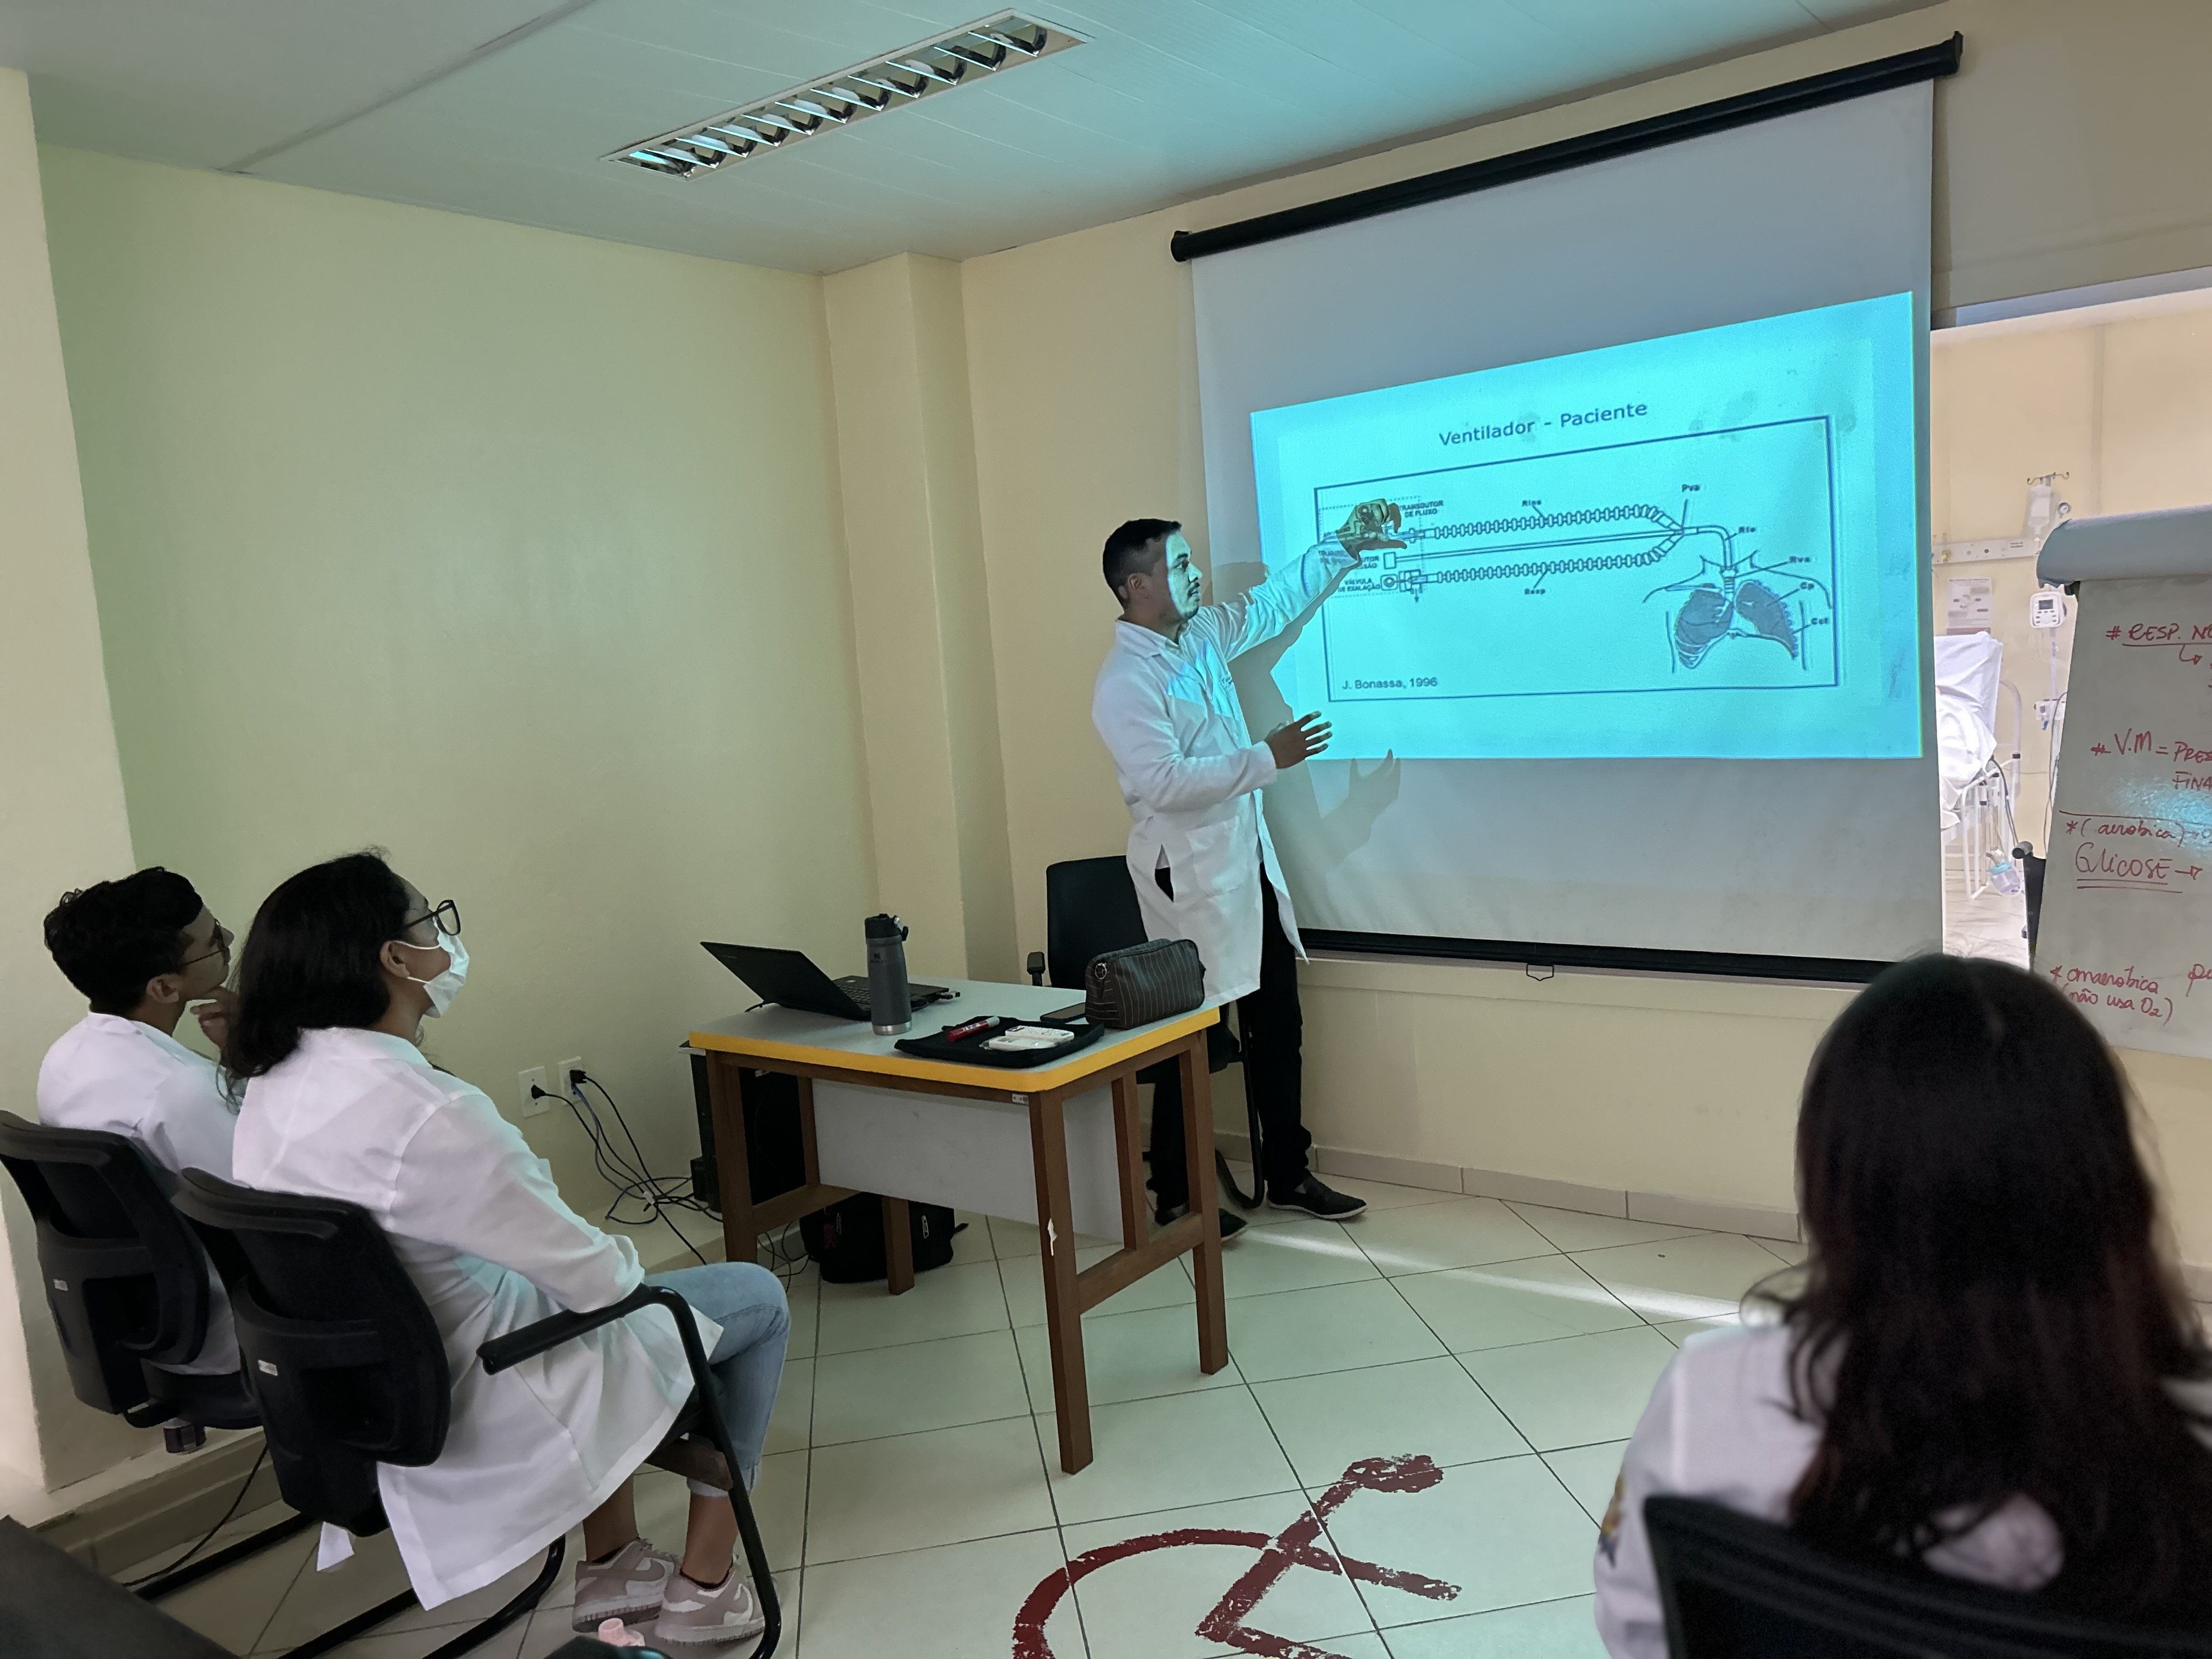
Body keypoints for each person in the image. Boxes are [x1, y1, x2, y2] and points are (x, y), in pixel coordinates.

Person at [225, 853, 788, 1647]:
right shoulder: (430, 1111)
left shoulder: (273, 1088)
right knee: (757, 1299)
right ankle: (705, 1586)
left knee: (562, 1293)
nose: (444, 939)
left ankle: (616, 1567)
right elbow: (602, 1282)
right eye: (430, 923)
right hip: (485, 1389)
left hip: (374, 1395)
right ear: (394, 959)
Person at [1595, 955, 2212, 1654]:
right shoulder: (2189, 1430)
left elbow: (1638, 1628)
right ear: (2108, 1191)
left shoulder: (1708, 1398)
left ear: (1835, 1186)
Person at [1091, 506, 1404, 1231]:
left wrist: (1341, 545)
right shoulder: (1124, 683)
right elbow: (1165, 782)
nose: (1197, 575)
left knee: (1278, 1021)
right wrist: (1269, 758)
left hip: (1246, 862)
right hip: (1189, 880)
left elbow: (1270, 605)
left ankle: (1289, 1172)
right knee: (1192, 1037)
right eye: (1180, 565)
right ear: (1137, 586)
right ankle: (1175, 1190)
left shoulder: (1200, 635)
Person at [38, 868, 241, 1374]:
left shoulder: (65, 1057)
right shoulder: (178, 1089)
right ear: (165, 986)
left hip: (154, 1318)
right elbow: (271, 1202)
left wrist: (235, 1062)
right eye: (214, 941)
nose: (231, 938)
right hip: (228, 1326)